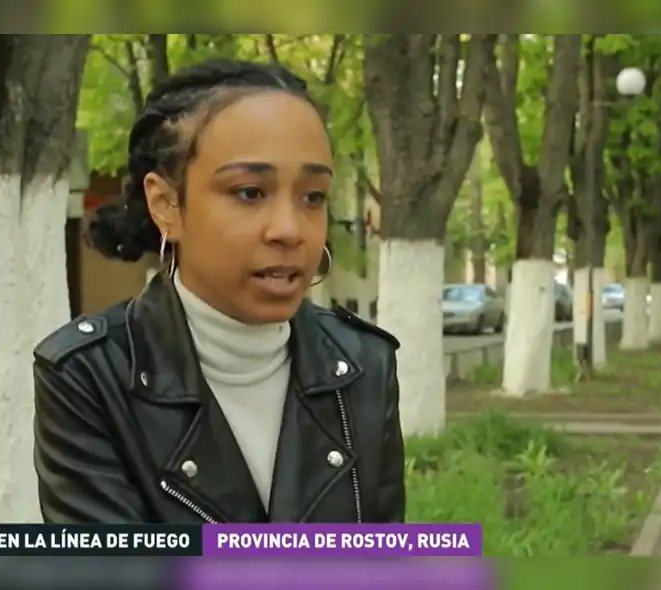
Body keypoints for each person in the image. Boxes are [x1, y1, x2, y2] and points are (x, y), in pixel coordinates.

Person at [32, 59, 405, 524]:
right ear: (167, 205)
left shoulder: (365, 364)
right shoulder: (89, 375)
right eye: (250, 192)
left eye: (313, 197)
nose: (290, 230)